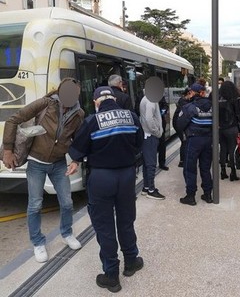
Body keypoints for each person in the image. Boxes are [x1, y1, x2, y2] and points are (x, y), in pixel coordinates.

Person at [68, 86, 144, 293]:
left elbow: (78, 148)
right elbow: (139, 144)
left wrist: (76, 160)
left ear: (96, 102)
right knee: (126, 220)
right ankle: (131, 261)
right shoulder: (131, 116)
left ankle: (111, 275)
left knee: (105, 226)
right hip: (127, 176)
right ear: (114, 98)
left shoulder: (92, 120)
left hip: (102, 178)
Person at [2, 78, 84, 263]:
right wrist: (8, 150)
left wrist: (76, 160)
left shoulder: (79, 114)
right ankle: (38, 242)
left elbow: (79, 140)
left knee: (67, 202)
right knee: (35, 205)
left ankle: (67, 233)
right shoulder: (45, 104)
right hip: (36, 162)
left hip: (59, 163)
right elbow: (12, 120)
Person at [176, 83, 213, 205]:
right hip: (208, 140)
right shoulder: (213, 106)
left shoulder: (189, 107)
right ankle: (207, 195)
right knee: (206, 168)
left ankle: (190, 196)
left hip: (193, 140)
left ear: (193, 93)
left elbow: (179, 124)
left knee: (190, 168)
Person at [139, 94, 166, 199]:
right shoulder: (151, 100)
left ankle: (146, 187)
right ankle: (151, 189)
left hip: (146, 135)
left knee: (146, 164)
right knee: (151, 164)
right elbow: (149, 119)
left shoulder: (145, 98)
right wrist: (157, 132)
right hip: (150, 135)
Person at [218, 81, 240, 181]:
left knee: (223, 149)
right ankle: (233, 172)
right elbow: (238, 114)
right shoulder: (234, 98)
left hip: (221, 128)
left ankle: (223, 171)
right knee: (232, 149)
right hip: (232, 127)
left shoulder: (218, 98)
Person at [172, 87, 192, 167]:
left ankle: (184, 159)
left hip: (179, 123)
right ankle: (182, 161)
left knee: (185, 141)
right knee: (184, 141)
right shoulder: (184, 102)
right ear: (188, 93)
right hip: (179, 124)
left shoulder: (184, 100)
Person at [158, 95, 169, 170]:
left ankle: (162, 163)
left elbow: (165, 106)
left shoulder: (160, 96)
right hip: (149, 125)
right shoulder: (142, 96)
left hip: (160, 124)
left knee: (162, 144)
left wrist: (162, 111)